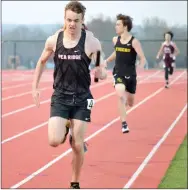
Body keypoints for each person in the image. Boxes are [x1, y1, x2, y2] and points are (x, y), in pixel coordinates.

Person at [32, 1, 107, 189]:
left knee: (78, 144)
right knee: (54, 141)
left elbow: (101, 67)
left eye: (76, 20)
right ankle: (66, 127)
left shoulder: (92, 42)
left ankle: (74, 182)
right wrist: (35, 87)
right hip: (61, 96)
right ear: (64, 19)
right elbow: (41, 62)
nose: (72, 24)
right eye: (69, 20)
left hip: (83, 98)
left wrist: (101, 73)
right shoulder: (53, 40)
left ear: (83, 21)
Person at [105, 14, 146, 133]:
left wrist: (141, 65)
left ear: (125, 26)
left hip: (131, 75)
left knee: (130, 102)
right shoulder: (115, 40)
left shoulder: (134, 42)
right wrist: (106, 61)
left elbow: (142, 58)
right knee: (120, 95)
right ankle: (124, 123)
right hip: (118, 73)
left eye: (118, 25)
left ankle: (126, 105)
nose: (115, 27)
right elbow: (116, 52)